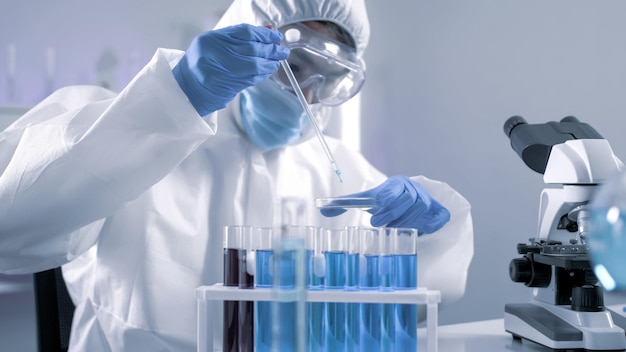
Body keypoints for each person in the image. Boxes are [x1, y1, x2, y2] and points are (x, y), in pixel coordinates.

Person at [0, 0, 474, 350]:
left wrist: (428, 234)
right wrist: (175, 98)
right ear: (249, 39)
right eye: (293, 66)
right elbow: (11, 225)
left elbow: (402, 310)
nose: (306, 93)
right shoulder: (134, 128)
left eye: (325, 80)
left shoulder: (346, 172)